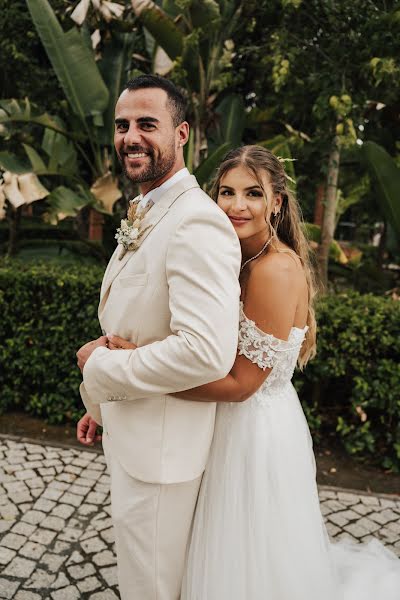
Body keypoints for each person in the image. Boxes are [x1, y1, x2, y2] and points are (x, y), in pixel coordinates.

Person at [109, 145, 400, 600]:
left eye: (252, 194)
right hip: (217, 421)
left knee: (244, 559)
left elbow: (242, 385)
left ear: (276, 203)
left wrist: (132, 369)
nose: (236, 205)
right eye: (226, 192)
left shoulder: (274, 270)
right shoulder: (233, 257)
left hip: (252, 432)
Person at [75, 74, 241, 600]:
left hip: (162, 459)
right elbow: (139, 324)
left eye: (148, 124)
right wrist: (101, 402)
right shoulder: (147, 209)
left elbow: (205, 351)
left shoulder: (195, 222)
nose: (130, 137)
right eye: (123, 125)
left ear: (182, 133)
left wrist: (98, 369)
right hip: (138, 435)